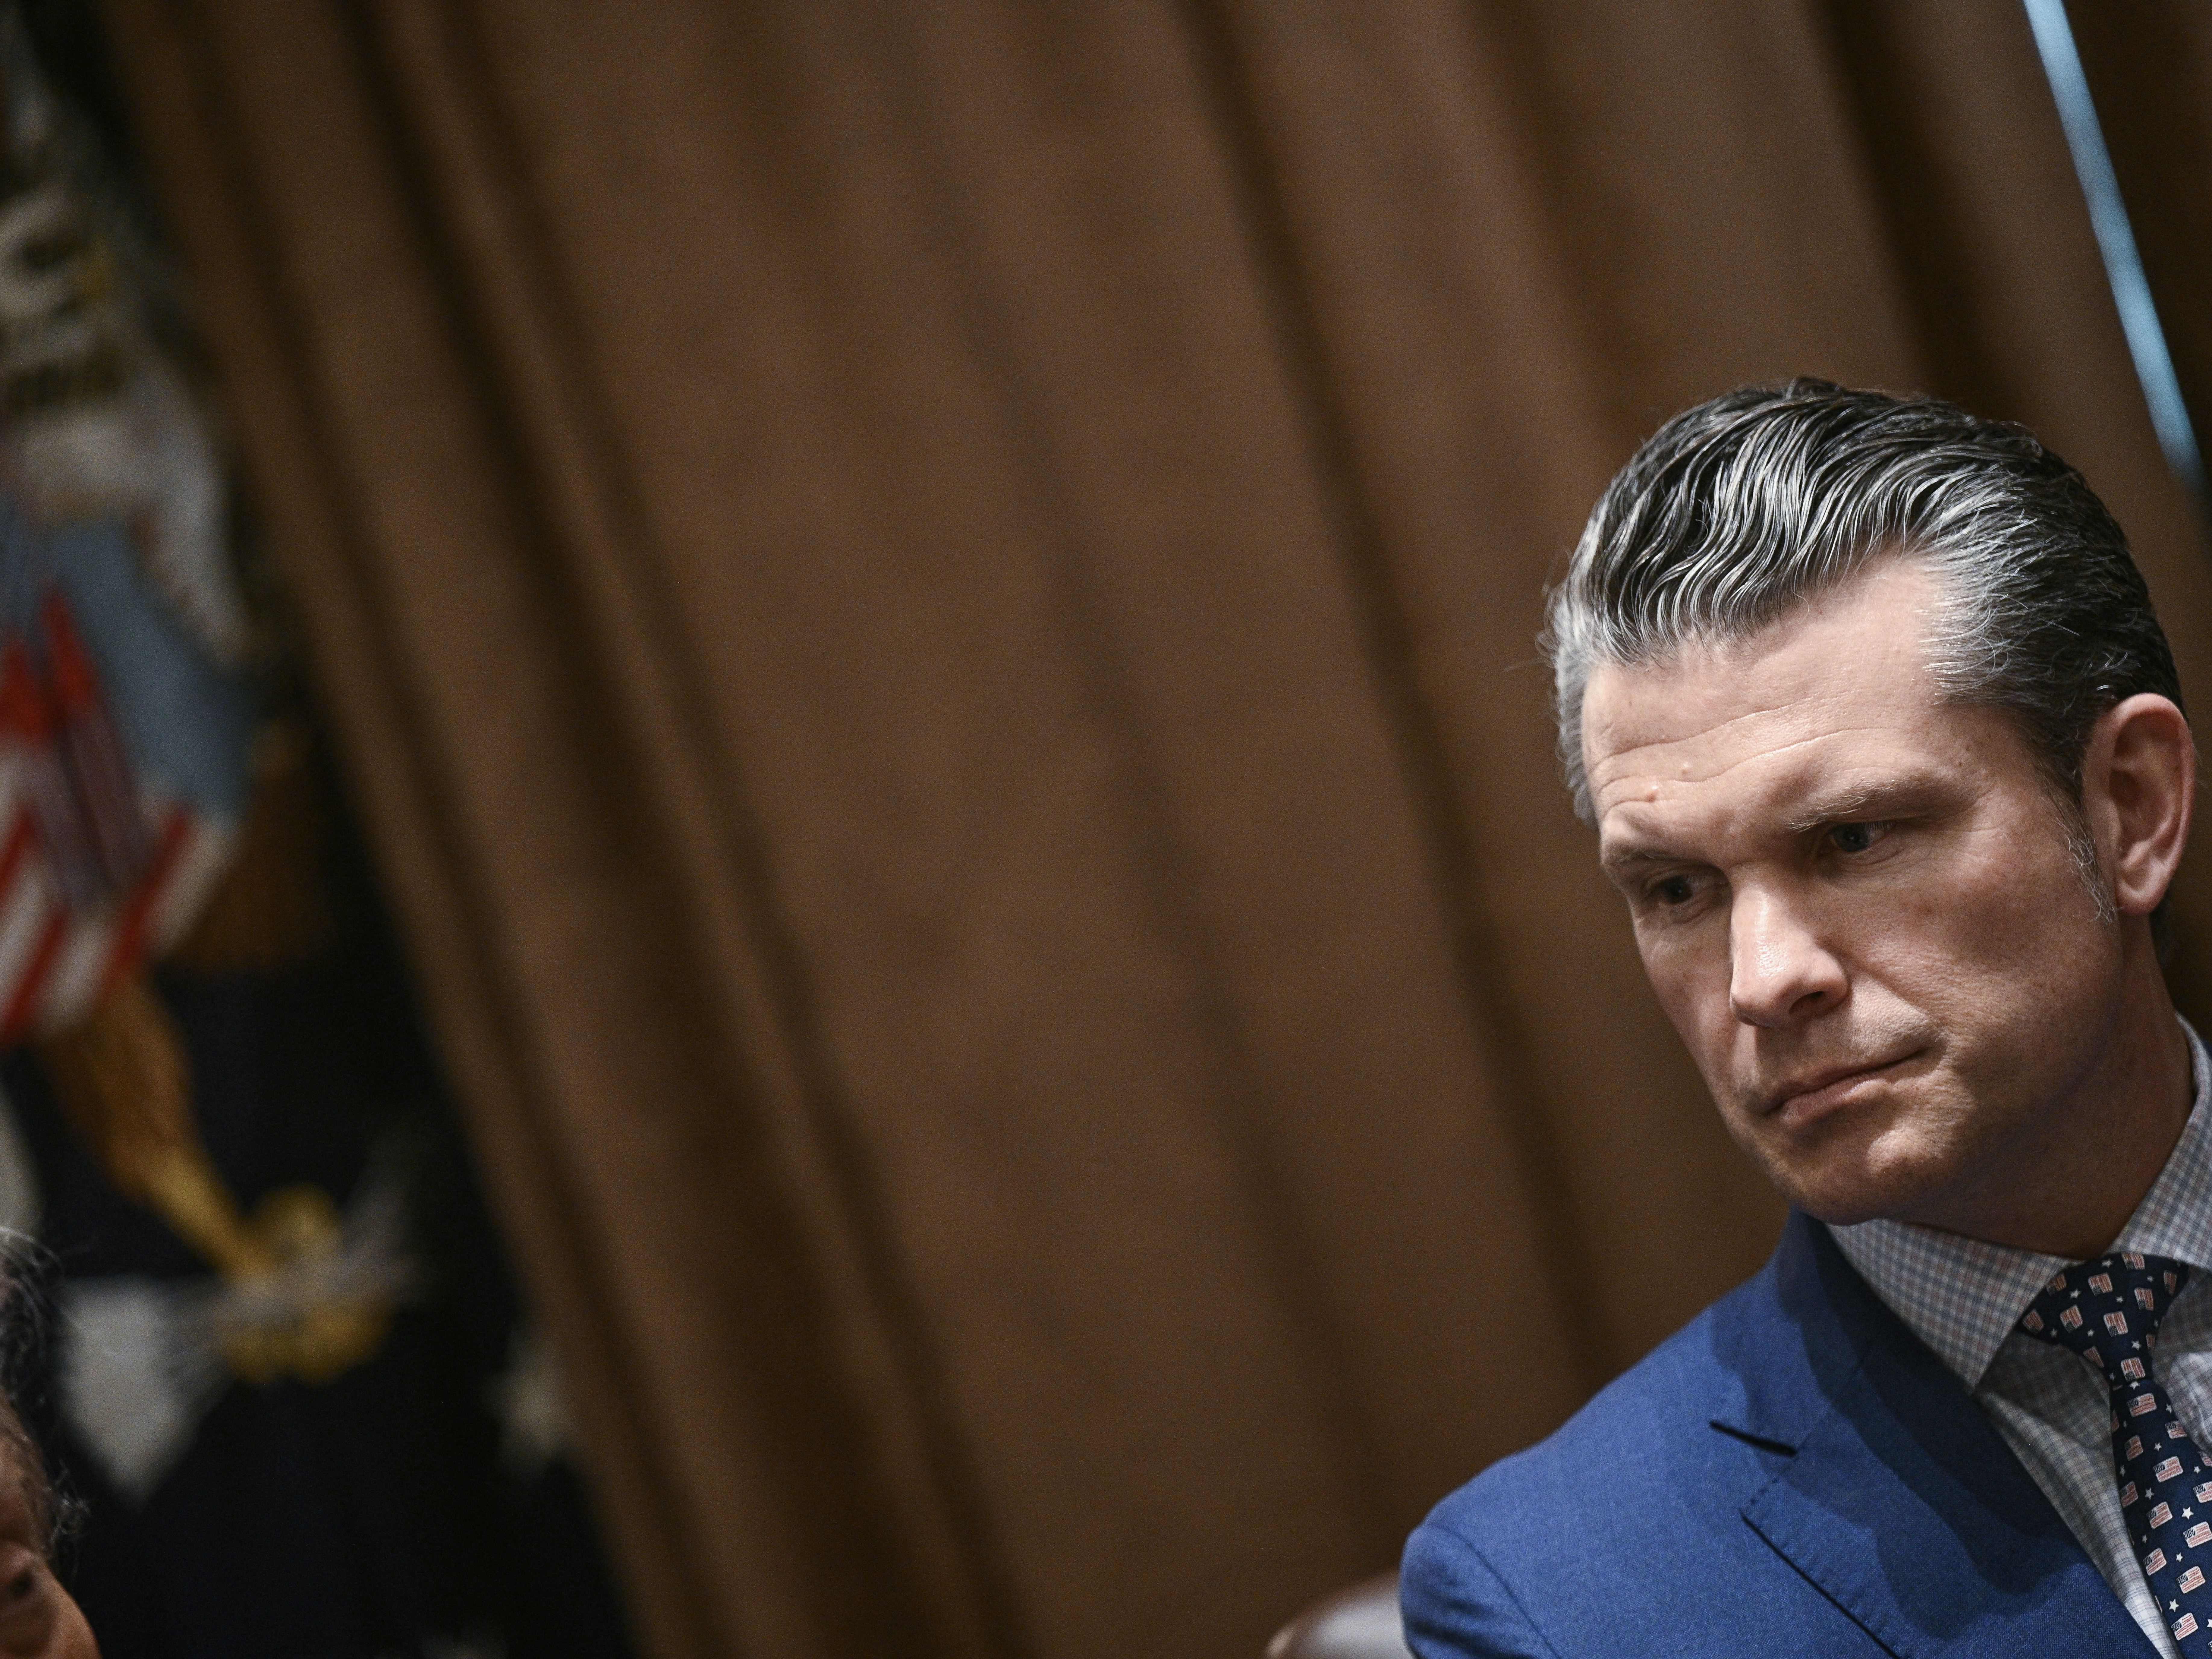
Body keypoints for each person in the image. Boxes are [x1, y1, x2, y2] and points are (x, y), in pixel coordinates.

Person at [1402, 379, 2210, 1657]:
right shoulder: (1551, 1597)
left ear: (2127, 807)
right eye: (1675, 888)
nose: (1761, 977)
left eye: (1851, 836)